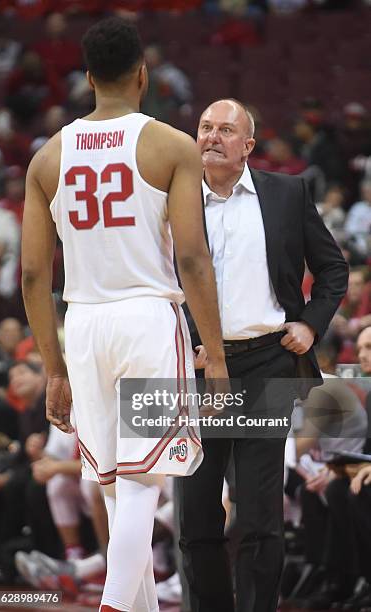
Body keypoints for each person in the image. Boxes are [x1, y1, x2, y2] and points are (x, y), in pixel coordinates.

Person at [21, 17, 228, 612]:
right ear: (143, 74)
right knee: (140, 486)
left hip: (83, 324)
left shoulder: (46, 157)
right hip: (145, 318)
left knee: (114, 487)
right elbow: (191, 256)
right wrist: (213, 355)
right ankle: (115, 606)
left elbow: (35, 276)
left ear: (88, 78)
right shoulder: (171, 145)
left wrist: (53, 368)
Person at [178, 98, 349, 612]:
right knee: (196, 515)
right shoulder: (172, 199)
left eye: (225, 129)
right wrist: (183, 338)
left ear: (248, 145)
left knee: (258, 514)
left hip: (265, 362)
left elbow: (333, 270)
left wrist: (310, 323)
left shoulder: (287, 193)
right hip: (197, 367)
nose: (211, 136)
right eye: (205, 127)